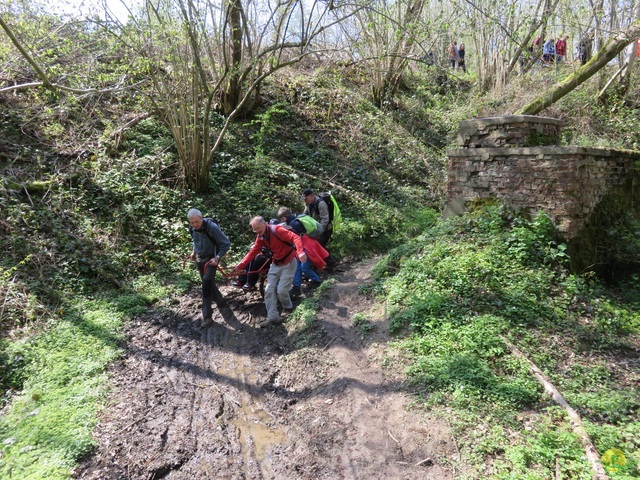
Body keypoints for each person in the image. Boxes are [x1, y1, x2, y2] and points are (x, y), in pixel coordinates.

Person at [235, 216, 307, 328]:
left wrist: (301, 252)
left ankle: (287, 307)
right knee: (268, 290)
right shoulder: (260, 237)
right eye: (255, 229)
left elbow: (295, 237)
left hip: (288, 262)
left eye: (258, 228)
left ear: (264, 224)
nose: (257, 231)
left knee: (282, 290)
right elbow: (253, 252)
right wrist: (241, 265)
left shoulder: (277, 230)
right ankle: (273, 317)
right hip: (275, 264)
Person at [186, 209, 231, 327]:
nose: (195, 225)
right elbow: (195, 241)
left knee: (206, 283)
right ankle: (220, 301)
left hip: (212, 258)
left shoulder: (212, 227)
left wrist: (217, 257)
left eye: (197, 222)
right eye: (192, 223)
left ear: (201, 218)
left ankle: (207, 316)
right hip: (200, 258)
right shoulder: (191, 228)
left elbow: (226, 244)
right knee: (208, 281)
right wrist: (194, 252)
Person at [277, 207, 328, 298]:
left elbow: (294, 238)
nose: (282, 220)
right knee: (297, 267)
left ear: (285, 217)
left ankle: (317, 281)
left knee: (304, 268)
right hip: (301, 248)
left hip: (307, 247)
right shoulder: (294, 220)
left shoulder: (294, 224)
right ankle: (297, 287)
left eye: (282, 218)